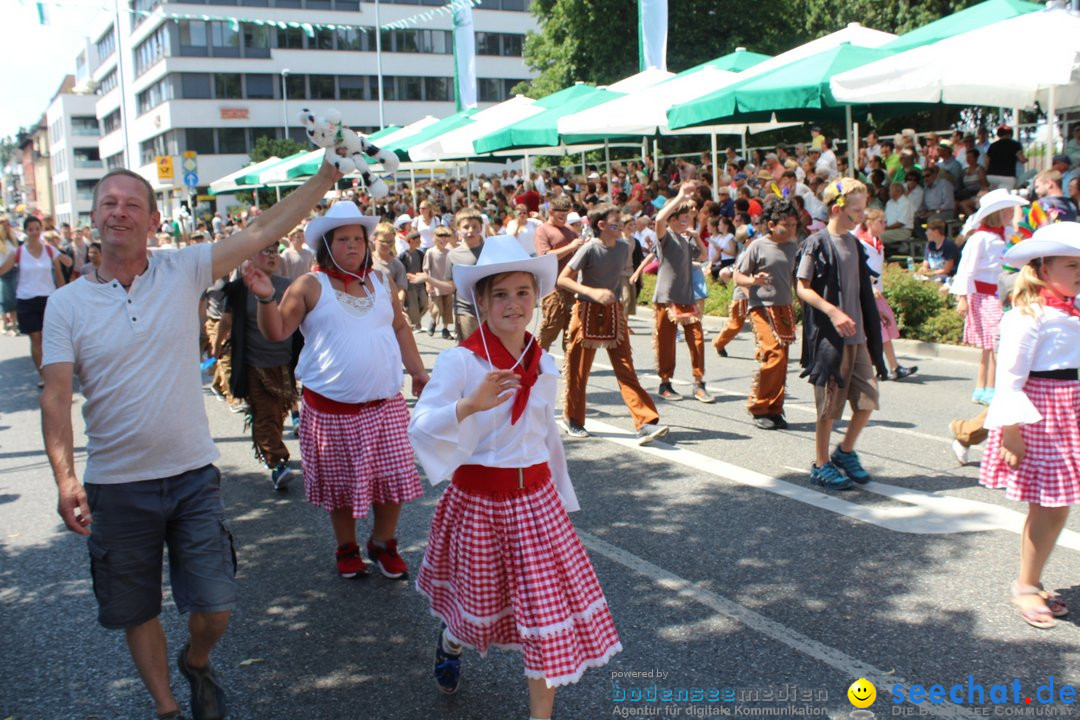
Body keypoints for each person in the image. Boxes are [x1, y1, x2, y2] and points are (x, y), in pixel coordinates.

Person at [39, 161, 343, 720]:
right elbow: (56, 395)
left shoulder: (182, 270)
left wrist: (325, 177)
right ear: (93, 218)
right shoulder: (66, 305)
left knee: (216, 605)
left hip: (191, 475)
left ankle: (197, 659)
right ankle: (168, 708)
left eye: (132, 204)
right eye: (108, 203)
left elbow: (260, 232)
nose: (119, 211)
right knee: (137, 607)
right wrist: (64, 478)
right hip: (115, 484)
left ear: (154, 220)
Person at [408, 236, 622, 718]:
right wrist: (468, 405)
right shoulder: (461, 361)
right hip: (480, 505)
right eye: (500, 294)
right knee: (473, 613)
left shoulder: (541, 361)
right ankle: (451, 642)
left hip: (537, 506)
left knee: (547, 621)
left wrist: (561, 496)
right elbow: (419, 426)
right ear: (481, 301)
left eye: (523, 293)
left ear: (538, 299)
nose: (512, 304)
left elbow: (547, 437)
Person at [978, 222, 1080, 630]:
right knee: (1050, 504)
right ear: (1041, 270)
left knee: (1060, 505)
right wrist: (1010, 433)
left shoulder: (1071, 308)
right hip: (1042, 414)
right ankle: (1024, 585)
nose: (1079, 272)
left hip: (1069, 408)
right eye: (1072, 265)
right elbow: (1010, 379)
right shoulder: (1027, 315)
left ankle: (1033, 580)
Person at [796, 178, 887, 491]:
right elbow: (801, 288)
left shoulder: (854, 243)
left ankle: (845, 452)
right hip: (829, 339)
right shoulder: (817, 243)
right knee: (828, 408)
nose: (862, 217)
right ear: (837, 209)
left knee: (868, 399)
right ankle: (821, 464)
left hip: (857, 336)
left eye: (863, 211)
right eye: (856, 211)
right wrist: (833, 311)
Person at [558, 204, 669, 443]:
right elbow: (563, 279)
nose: (621, 225)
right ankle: (573, 420)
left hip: (613, 310)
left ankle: (646, 422)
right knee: (579, 369)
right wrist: (592, 292)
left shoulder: (624, 246)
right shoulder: (588, 249)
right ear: (601, 225)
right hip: (585, 309)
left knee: (625, 368)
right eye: (615, 222)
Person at [220, 244, 299, 491]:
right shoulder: (238, 289)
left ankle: (271, 450)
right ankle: (278, 464)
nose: (273, 255)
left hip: (284, 363)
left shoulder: (289, 285)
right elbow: (227, 320)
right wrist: (217, 344)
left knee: (277, 413)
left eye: (275, 250)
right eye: (265, 251)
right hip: (254, 364)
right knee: (265, 414)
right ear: (251, 257)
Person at [951, 189, 1029, 405]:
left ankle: (984, 387)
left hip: (999, 295)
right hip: (984, 297)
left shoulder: (1003, 236)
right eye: (1006, 211)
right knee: (993, 344)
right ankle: (988, 388)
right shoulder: (981, 238)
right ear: (997, 213)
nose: (1009, 214)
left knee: (990, 346)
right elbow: (966, 268)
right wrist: (963, 297)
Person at [734, 199, 800, 429]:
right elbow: (738, 276)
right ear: (771, 224)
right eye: (786, 225)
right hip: (761, 307)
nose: (791, 230)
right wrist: (753, 281)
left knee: (782, 361)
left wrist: (804, 301)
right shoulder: (757, 246)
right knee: (774, 355)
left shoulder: (793, 247)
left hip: (785, 309)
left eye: (794, 224)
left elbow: (795, 278)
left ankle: (775, 409)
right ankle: (758, 406)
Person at [646, 181, 712, 403]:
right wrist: (680, 196)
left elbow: (703, 257)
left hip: (686, 298)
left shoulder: (685, 239)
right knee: (666, 343)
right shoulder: (665, 237)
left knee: (698, 340)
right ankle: (665, 383)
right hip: (666, 298)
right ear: (672, 220)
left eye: (688, 217)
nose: (686, 220)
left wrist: (695, 236)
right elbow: (658, 219)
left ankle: (699, 383)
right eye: (682, 218)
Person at [0, 216, 68, 386]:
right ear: (25, 231)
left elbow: (59, 275)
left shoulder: (49, 250)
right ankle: (43, 375)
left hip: (48, 298)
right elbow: (2, 270)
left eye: (37, 229)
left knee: (49, 338)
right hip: (26, 299)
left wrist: (65, 296)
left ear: (41, 230)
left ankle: (53, 371)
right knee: (36, 337)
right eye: (31, 229)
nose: (34, 232)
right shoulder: (18, 252)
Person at [854, 209, 917, 381]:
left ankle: (887, 366)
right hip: (867, 293)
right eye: (881, 221)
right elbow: (859, 269)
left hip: (875, 292)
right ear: (869, 222)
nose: (885, 224)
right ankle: (890, 367)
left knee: (883, 330)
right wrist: (869, 286)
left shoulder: (876, 242)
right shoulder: (862, 243)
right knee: (880, 330)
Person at [534, 196, 584, 351]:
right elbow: (545, 256)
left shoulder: (570, 230)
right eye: (560, 216)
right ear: (550, 212)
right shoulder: (542, 230)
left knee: (572, 329)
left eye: (566, 216)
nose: (563, 219)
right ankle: (538, 359)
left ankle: (569, 366)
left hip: (571, 285)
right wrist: (571, 247)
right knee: (551, 325)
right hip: (552, 287)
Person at [712, 226, 753, 358]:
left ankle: (762, 351)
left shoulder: (753, 252)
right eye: (753, 237)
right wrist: (748, 294)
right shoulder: (743, 256)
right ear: (746, 240)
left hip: (754, 294)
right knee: (735, 324)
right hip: (742, 295)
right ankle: (719, 343)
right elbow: (738, 276)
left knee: (760, 323)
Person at [422, 225, 455, 339]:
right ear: (435, 238)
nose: (444, 239)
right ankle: (433, 321)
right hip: (434, 285)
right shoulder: (430, 252)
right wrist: (428, 283)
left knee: (447, 309)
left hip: (447, 285)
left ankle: (445, 330)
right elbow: (425, 269)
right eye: (441, 236)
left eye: (446, 236)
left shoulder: (450, 252)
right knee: (436, 308)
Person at [398, 230, 429, 332]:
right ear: (411, 241)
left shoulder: (420, 254)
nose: (419, 242)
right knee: (413, 305)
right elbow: (400, 270)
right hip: (409, 284)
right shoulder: (403, 255)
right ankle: (417, 325)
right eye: (417, 240)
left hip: (420, 283)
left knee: (425, 302)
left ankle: (414, 321)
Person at [985, 125, 1026, 190]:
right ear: (1010, 134)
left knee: (993, 195)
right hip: (1007, 176)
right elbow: (1022, 159)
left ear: (999, 135)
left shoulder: (993, 145)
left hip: (991, 176)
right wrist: (1026, 159)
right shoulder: (1015, 144)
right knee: (1004, 197)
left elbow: (987, 161)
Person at [919, 218, 960, 284]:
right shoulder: (929, 245)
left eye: (928, 230)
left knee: (935, 281)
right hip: (932, 274)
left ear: (936, 232)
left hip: (946, 276)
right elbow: (925, 264)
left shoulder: (949, 245)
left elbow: (947, 270)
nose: (926, 233)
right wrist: (923, 269)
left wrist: (930, 273)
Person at [0, 216, 20, 335]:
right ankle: (4, 324)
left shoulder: (12, 240)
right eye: (5, 224)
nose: (8, 226)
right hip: (2, 272)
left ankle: (14, 324)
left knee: (13, 299)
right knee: (3, 299)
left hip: (13, 271)